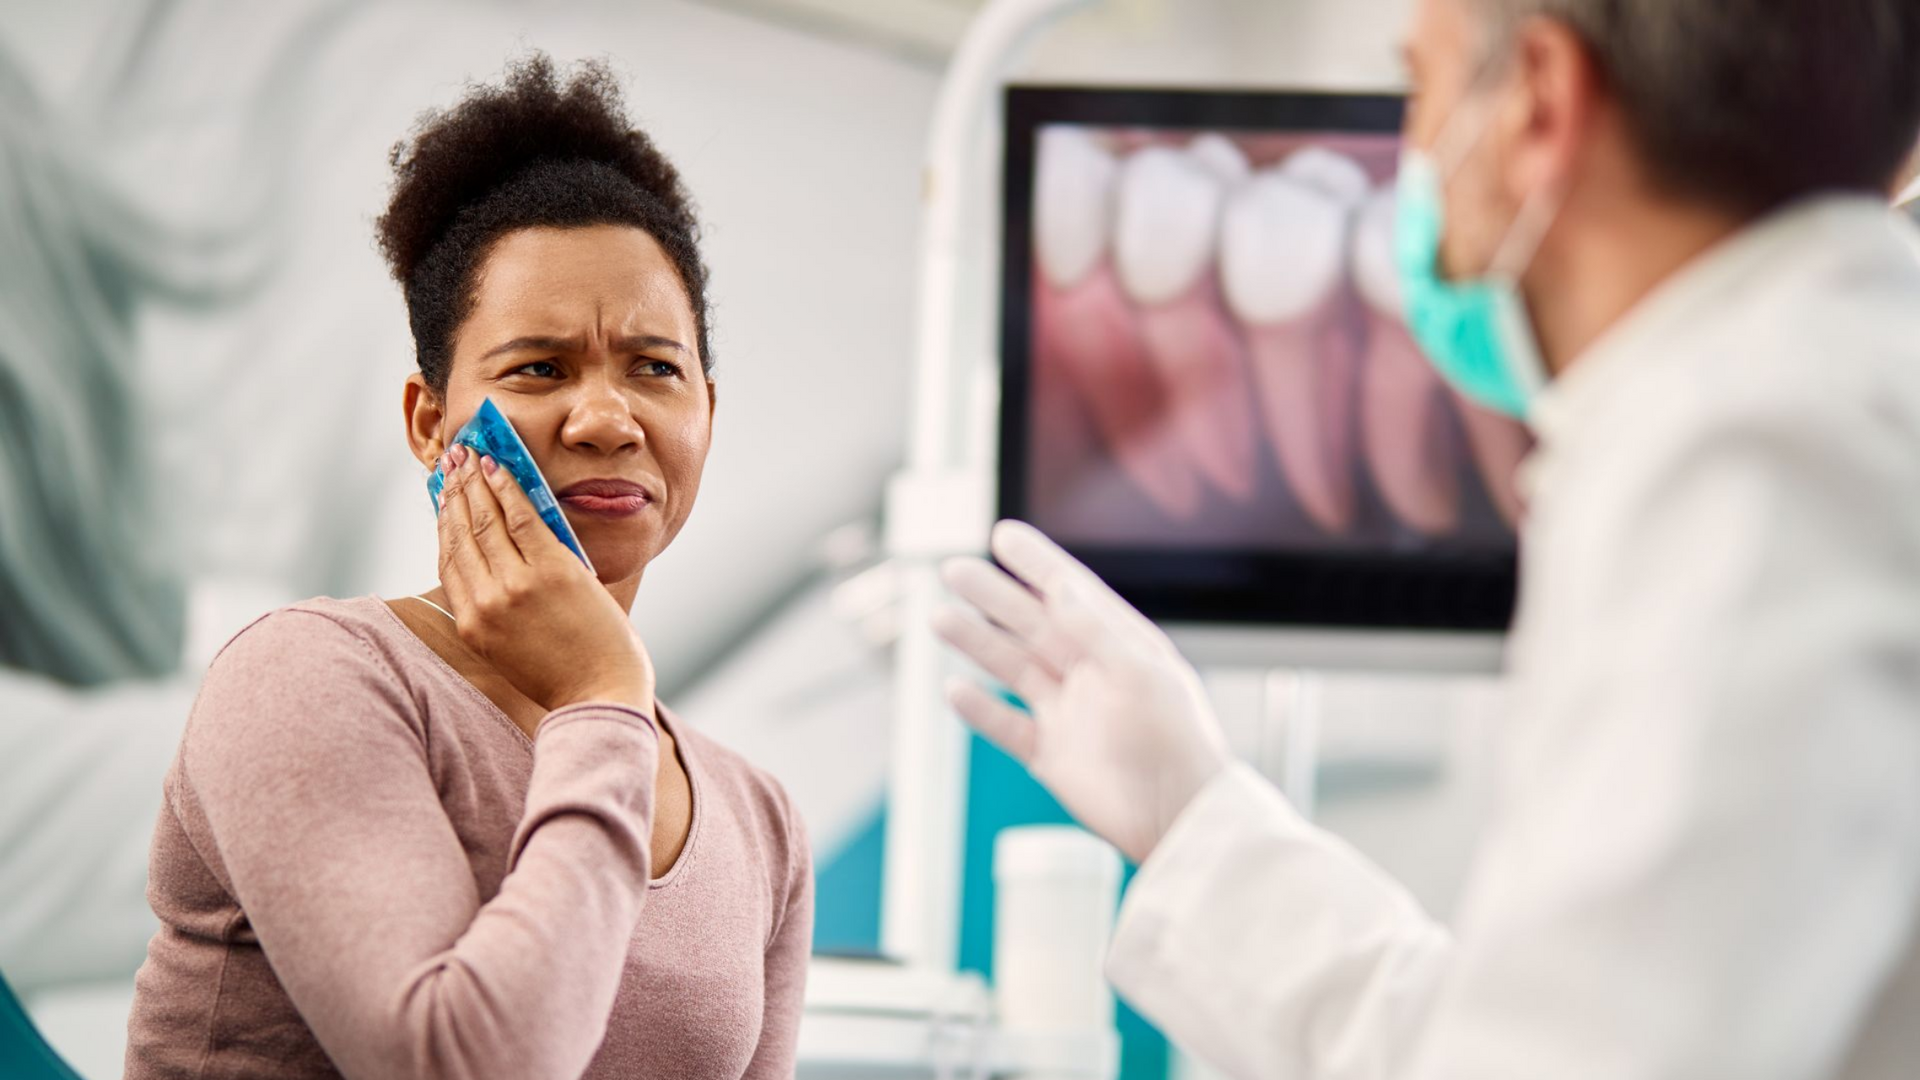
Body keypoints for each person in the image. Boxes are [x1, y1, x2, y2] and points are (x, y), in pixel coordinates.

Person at [935, 1, 1920, 1076]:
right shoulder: (1812, 411)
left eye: (1425, 88)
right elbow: (1533, 1039)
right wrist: (1191, 818)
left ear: (1537, 103)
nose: (1412, 164)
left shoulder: (1751, 460)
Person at [124, 55, 812, 1080]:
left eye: (655, 370)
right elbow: (458, 1062)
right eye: (540, 367)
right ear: (428, 419)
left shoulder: (759, 820)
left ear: (706, 411)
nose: (606, 417)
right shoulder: (311, 678)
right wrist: (601, 695)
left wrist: (601, 702)